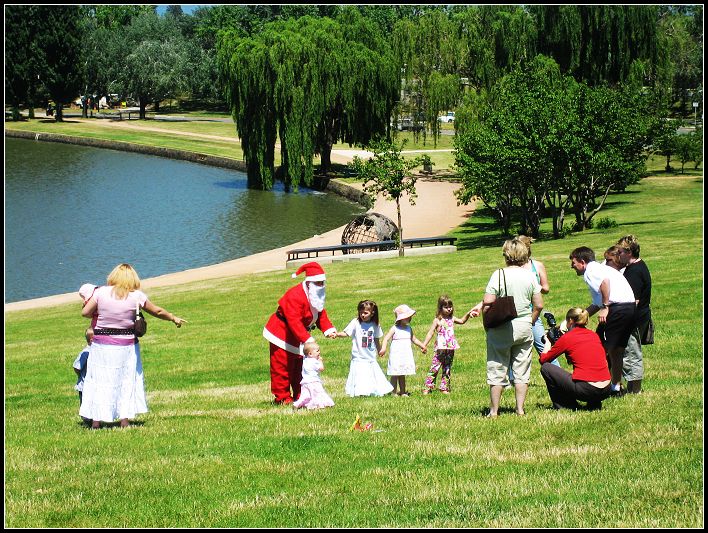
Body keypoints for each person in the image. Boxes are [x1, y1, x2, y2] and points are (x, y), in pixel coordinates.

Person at [79, 263, 186, 429]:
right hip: (126, 346)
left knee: (99, 380)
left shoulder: (100, 293)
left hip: (101, 346)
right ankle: (124, 421)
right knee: (126, 380)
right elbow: (157, 311)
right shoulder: (136, 296)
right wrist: (173, 318)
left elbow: (85, 313)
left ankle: (96, 422)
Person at [482, 238, 543, 417]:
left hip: (501, 326)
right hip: (524, 325)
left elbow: (487, 302)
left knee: (497, 367)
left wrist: (487, 323)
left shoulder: (498, 274)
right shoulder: (530, 275)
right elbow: (538, 304)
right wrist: (530, 321)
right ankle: (520, 409)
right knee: (522, 369)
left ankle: (494, 411)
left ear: (506, 254)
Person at [263, 262, 337, 405]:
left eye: (322, 283)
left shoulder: (315, 293)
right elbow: (293, 321)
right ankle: (282, 397)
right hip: (281, 334)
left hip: (299, 337)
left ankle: (300, 394)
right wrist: (307, 339)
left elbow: (320, 313)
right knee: (282, 367)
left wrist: (328, 329)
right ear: (309, 282)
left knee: (299, 367)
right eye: (318, 283)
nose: (321, 285)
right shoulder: (294, 296)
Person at [569, 246, 636, 397]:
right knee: (616, 350)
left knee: (598, 347)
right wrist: (581, 316)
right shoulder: (600, 268)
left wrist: (605, 307)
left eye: (573, 262)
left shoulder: (591, 271)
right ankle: (615, 387)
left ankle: (596, 384)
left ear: (582, 261)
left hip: (617, 309)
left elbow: (605, 284)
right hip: (628, 308)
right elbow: (596, 303)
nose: (572, 266)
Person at [539, 308, 612, 410]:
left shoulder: (567, 338)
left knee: (546, 368)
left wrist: (547, 341)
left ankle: (565, 405)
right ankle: (594, 404)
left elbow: (544, 360)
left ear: (570, 321)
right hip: (607, 388)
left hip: (587, 390)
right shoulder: (594, 335)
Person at [617, 235, 652, 394]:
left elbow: (633, 301)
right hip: (641, 316)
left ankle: (635, 390)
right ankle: (632, 387)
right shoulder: (639, 266)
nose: (618, 256)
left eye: (620, 252)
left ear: (629, 252)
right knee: (631, 352)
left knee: (631, 353)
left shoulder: (634, 272)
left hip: (634, 318)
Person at [337, 300, 394, 397]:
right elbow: (346, 333)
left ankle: (374, 389)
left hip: (370, 355)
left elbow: (376, 339)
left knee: (371, 373)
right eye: (361, 312)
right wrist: (337, 334)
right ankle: (361, 391)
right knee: (360, 374)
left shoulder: (375, 325)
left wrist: (380, 349)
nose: (362, 315)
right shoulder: (355, 322)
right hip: (358, 355)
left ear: (372, 313)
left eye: (365, 313)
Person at [421, 295, 471, 394]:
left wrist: (469, 314)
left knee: (447, 367)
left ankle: (444, 387)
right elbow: (430, 332)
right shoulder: (437, 320)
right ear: (440, 308)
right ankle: (428, 386)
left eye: (450, 306)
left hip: (450, 347)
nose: (449, 309)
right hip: (440, 348)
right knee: (435, 367)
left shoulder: (452, 318)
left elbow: (461, 321)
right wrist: (424, 345)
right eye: (446, 307)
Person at [379, 304, 427, 396]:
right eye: (407, 317)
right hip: (396, 355)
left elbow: (414, 339)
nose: (409, 318)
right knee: (395, 373)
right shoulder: (395, 328)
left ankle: (403, 391)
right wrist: (384, 348)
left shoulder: (409, 328)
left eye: (410, 317)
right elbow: (386, 338)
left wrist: (422, 346)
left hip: (405, 354)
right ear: (400, 318)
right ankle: (393, 392)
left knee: (402, 373)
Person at [292, 341, 335, 410]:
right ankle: (319, 404)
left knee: (305, 395)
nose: (319, 352)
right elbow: (321, 368)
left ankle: (298, 404)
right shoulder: (314, 361)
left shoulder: (305, 360)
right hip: (314, 381)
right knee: (317, 393)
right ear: (310, 354)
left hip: (305, 382)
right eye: (317, 351)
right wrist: (320, 361)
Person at [73, 327, 94, 408]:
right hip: (84, 386)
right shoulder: (86, 353)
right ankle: (86, 419)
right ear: (92, 340)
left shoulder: (96, 352)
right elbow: (76, 367)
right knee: (85, 406)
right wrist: (81, 376)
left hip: (93, 385)